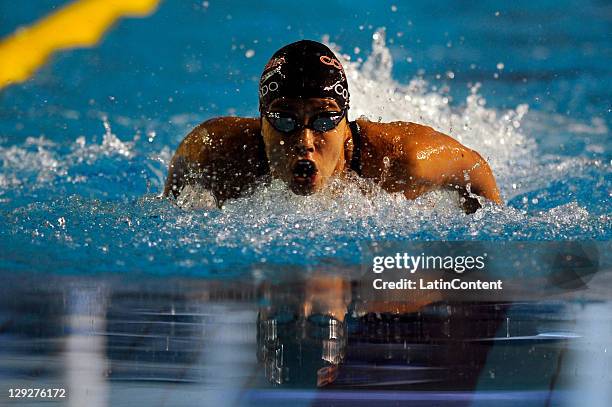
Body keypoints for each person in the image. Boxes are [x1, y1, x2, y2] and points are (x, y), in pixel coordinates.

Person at [163, 40, 502, 213]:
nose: (305, 141)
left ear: (344, 122)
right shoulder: (217, 152)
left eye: (324, 120)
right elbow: (177, 178)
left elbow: (474, 166)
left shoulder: (403, 161)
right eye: (284, 121)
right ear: (262, 121)